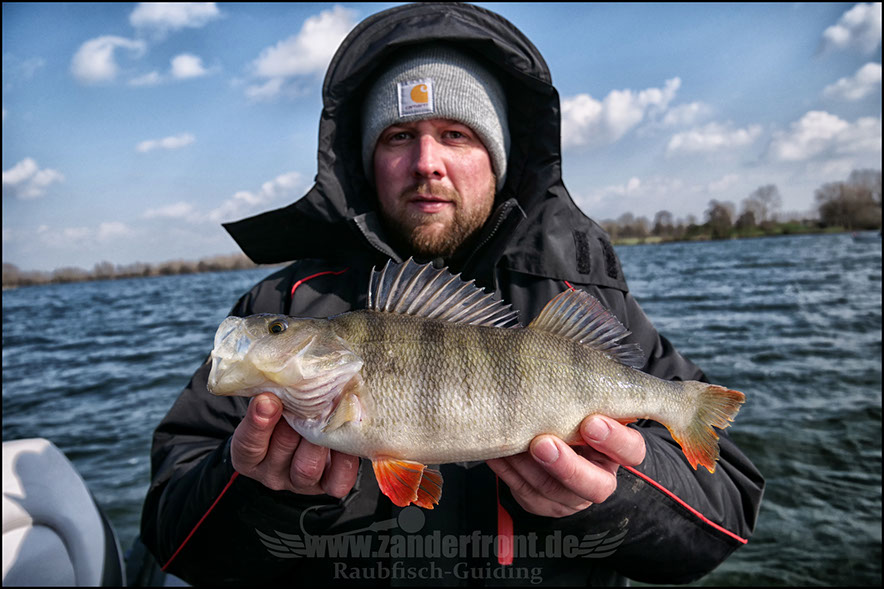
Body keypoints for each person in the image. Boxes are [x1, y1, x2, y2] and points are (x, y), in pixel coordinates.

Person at [141, 3, 763, 585]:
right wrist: (260, 491)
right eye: (398, 135)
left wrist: (618, 492)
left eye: (457, 134)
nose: (426, 162)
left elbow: (726, 514)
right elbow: (171, 533)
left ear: (498, 157)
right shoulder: (286, 300)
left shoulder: (580, 293)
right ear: (365, 160)